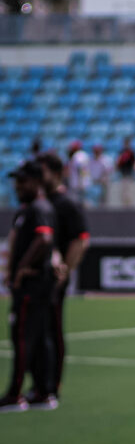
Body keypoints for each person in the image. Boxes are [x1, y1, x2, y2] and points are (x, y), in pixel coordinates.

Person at [0, 161, 58, 412]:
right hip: (37, 284)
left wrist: (21, 268)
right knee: (37, 336)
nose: (17, 186)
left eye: (22, 181)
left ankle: (16, 394)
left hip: (32, 284)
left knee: (22, 337)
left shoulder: (38, 208)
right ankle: (43, 392)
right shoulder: (30, 209)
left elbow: (44, 238)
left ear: (36, 181)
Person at [36, 152, 89, 400]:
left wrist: (65, 270)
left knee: (52, 330)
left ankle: (52, 385)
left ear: (56, 173)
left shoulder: (65, 203)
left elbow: (81, 239)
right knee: (38, 330)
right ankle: (39, 383)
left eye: (42, 170)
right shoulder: (41, 202)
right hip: (38, 278)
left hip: (54, 277)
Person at [115, 136, 135, 206]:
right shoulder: (121, 152)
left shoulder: (131, 152)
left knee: (128, 189)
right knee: (124, 189)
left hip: (129, 172)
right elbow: (118, 162)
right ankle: (125, 203)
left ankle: (128, 203)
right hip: (123, 173)